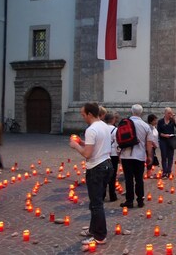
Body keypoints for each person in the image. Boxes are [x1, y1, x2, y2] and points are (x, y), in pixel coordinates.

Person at [69, 102, 114, 246]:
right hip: (107, 165)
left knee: (96, 204)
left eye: (83, 115)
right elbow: (96, 145)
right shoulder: (105, 126)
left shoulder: (91, 129)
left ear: (90, 114)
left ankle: (100, 236)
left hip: (96, 168)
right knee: (97, 201)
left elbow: (88, 154)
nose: (82, 117)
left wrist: (76, 146)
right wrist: (82, 142)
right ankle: (93, 229)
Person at [119, 104, 153, 209]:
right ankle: (140, 200)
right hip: (140, 155)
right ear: (141, 113)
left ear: (132, 111)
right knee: (139, 179)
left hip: (126, 155)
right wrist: (149, 156)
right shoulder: (145, 126)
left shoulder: (125, 123)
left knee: (128, 179)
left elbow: (118, 139)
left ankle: (129, 201)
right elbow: (149, 143)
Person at [157, 107, 176, 178]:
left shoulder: (172, 121)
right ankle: (164, 171)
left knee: (170, 156)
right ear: (165, 113)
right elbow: (158, 132)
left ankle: (169, 171)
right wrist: (164, 135)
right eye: (168, 113)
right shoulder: (160, 121)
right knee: (164, 155)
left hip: (171, 140)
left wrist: (175, 119)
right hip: (163, 140)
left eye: (171, 113)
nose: (170, 114)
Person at [103, 113, 118, 203]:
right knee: (113, 174)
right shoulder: (115, 130)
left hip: (104, 153)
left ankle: (102, 194)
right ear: (113, 120)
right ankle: (112, 195)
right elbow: (117, 143)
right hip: (113, 153)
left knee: (104, 174)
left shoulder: (102, 129)